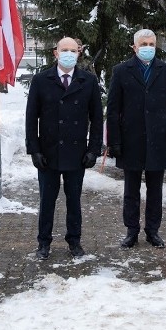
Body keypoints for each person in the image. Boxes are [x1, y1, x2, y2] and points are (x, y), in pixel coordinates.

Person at [25, 36, 103, 259]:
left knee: (74, 200)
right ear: (56, 53)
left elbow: (97, 119)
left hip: (76, 152)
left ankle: (75, 241)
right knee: (46, 200)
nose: (69, 54)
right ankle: (43, 243)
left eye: (73, 50)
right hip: (48, 152)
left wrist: (93, 150)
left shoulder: (88, 81)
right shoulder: (41, 80)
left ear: (79, 53)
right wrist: (35, 150)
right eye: (64, 50)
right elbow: (31, 118)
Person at [106, 28, 166, 249]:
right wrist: (114, 141)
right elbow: (113, 109)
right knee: (131, 189)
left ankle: (153, 230)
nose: (148, 48)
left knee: (155, 189)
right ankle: (131, 230)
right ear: (134, 47)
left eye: (152, 44)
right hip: (131, 139)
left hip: (159, 138)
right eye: (144, 44)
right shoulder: (121, 71)